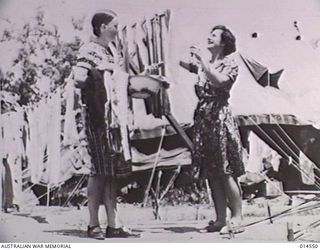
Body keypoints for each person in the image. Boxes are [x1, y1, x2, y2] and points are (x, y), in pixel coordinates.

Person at [73, 9, 138, 240]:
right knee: (98, 171)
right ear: (102, 27)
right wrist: (100, 73)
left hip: (113, 121)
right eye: (114, 25)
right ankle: (93, 224)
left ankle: (113, 224)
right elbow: (79, 78)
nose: (117, 30)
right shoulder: (89, 50)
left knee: (111, 172)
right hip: (97, 118)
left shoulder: (109, 51)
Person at [180, 25, 245, 234]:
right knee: (212, 172)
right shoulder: (206, 64)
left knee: (225, 171)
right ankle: (219, 219)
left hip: (219, 119)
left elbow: (219, 81)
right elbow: (183, 64)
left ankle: (237, 218)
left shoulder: (230, 63)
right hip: (204, 119)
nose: (209, 37)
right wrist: (186, 55)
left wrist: (203, 62)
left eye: (214, 35)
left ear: (224, 42)